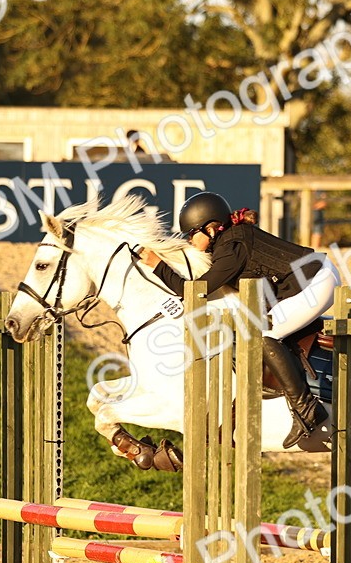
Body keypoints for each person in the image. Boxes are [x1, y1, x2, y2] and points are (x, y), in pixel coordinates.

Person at [139, 192, 340, 448]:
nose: (190, 239)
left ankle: (307, 409)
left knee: (267, 335)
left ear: (211, 229)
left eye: (192, 233)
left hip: (319, 281)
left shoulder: (231, 250)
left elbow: (193, 291)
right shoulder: (229, 242)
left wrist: (158, 265)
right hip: (309, 278)